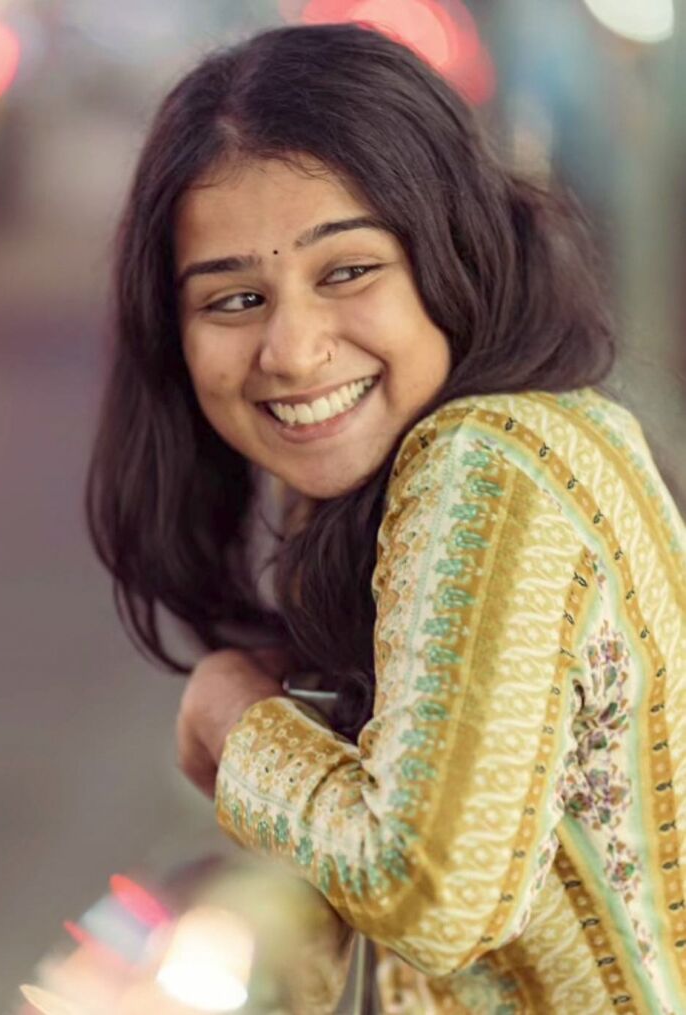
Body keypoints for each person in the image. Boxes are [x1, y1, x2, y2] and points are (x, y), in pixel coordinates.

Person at [86, 22, 686, 1014]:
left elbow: (431, 890)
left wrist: (231, 719)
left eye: (346, 271)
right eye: (234, 299)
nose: (291, 348)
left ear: (446, 255)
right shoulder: (432, 475)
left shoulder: (489, 460)